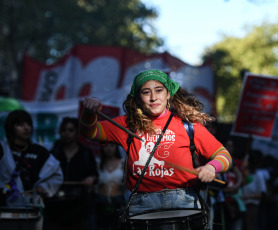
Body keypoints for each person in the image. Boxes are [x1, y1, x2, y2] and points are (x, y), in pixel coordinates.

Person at [79, 69, 232, 229]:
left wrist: (211, 167)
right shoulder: (126, 125)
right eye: (146, 92)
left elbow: (224, 155)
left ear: (168, 94)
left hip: (185, 202)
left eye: (159, 90)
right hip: (141, 205)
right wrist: (89, 113)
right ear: (138, 98)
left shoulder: (188, 126)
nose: (153, 97)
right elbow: (89, 132)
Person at [0, 110, 63, 230]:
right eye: (20, 124)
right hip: (5, 211)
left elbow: (57, 175)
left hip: (32, 211)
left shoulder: (40, 152)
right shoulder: (2, 150)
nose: (26, 128)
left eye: (28, 124)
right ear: (10, 128)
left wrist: (44, 187)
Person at [44, 117, 98, 230]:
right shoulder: (54, 153)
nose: (67, 133)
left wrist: (91, 179)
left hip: (80, 210)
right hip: (56, 210)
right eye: (64, 130)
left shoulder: (86, 154)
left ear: (77, 132)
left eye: (70, 130)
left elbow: (95, 175)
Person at [93, 142, 127, 230]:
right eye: (105, 146)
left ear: (116, 147)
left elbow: (127, 184)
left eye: (111, 145)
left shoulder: (123, 163)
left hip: (118, 200)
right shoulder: (98, 162)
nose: (108, 148)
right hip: (101, 201)